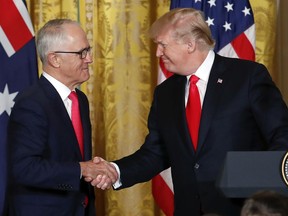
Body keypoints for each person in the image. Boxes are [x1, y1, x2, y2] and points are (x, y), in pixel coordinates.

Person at [90, 8, 288, 216]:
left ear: (190, 44)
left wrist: (265, 192)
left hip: (243, 209)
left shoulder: (247, 77)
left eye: (162, 45)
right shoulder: (165, 93)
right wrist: (115, 171)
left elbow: (282, 134)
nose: (157, 53)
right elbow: (156, 152)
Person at [7, 19, 118, 216]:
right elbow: (24, 168)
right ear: (54, 59)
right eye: (81, 53)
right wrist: (82, 169)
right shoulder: (32, 102)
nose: (89, 59)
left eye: (88, 50)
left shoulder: (79, 99)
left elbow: (72, 157)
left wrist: (92, 170)